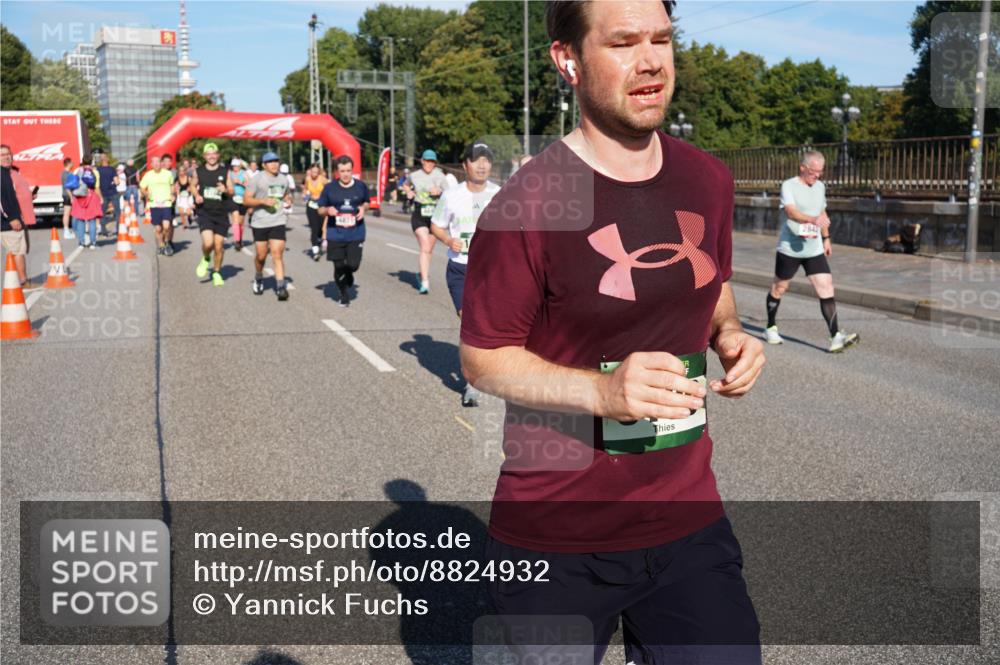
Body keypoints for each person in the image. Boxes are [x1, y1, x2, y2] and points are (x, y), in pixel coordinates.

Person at [459, 2, 766, 663]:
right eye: (624, 42)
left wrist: (731, 333)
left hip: (687, 519)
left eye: (662, 40)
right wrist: (603, 395)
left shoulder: (707, 178)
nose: (652, 60)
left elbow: (708, 281)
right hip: (556, 534)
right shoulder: (527, 206)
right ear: (568, 59)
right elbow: (483, 359)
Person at [764, 151, 859, 353]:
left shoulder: (820, 187)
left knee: (826, 287)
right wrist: (811, 219)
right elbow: (790, 211)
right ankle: (770, 326)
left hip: (813, 247)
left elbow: (822, 213)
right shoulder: (789, 185)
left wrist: (826, 238)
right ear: (803, 168)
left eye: (820, 172)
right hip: (790, 247)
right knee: (779, 288)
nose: (817, 176)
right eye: (813, 171)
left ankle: (835, 337)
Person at [430, 141, 500, 406]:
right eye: (476, 160)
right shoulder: (452, 196)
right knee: (471, 322)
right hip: (461, 268)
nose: (482, 165)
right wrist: (449, 241)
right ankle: (473, 385)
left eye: (486, 160)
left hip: (492, 270)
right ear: (465, 165)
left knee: (490, 325)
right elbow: (436, 226)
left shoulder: (501, 194)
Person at [317, 155, 369, 307]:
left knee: (353, 265)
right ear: (336, 172)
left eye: (348, 170)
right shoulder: (329, 188)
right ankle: (343, 293)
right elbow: (320, 210)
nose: (346, 174)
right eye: (342, 171)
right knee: (338, 265)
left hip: (356, 232)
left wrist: (363, 208)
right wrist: (327, 210)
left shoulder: (360, 186)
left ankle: (349, 274)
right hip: (335, 233)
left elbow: (367, 202)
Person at [243, 152, 291, 300]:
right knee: (261, 256)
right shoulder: (257, 179)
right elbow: (246, 200)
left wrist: (288, 200)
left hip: (278, 220)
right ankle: (258, 276)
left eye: (276, 161)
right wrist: (262, 201)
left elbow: (286, 195)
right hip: (260, 222)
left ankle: (281, 286)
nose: (274, 164)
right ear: (264, 165)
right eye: (270, 162)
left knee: (277, 253)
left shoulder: (283, 179)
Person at [404, 149, 449, 294]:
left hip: (436, 215)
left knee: (429, 249)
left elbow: (450, 194)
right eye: (427, 160)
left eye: (432, 161)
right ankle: (425, 281)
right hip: (419, 213)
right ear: (422, 161)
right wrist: (408, 192)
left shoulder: (440, 176)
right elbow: (405, 184)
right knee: (424, 245)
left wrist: (440, 192)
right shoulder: (414, 175)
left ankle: (421, 274)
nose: (429, 163)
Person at [189, 143, 230, 286]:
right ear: (205, 156)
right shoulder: (198, 171)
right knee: (208, 243)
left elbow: (232, 191)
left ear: (218, 155)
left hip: (221, 213)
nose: (212, 156)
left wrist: (225, 190)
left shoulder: (225, 171)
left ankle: (217, 272)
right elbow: (192, 186)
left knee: (219, 246)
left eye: (214, 153)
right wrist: (196, 195)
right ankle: (206, 258)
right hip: (205, 211)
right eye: (209, 154)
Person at [1, 145, 35, 286]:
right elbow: (2, 200)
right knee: (17, 252)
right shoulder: (1, 174)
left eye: (8, 154)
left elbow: (12, 196)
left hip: (15, 219)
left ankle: (20, 281)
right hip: (8, 222)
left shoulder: (7, 173)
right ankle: (22, 282)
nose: (7, 157)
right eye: (2, 155)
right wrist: (11, 218)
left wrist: (28, 197)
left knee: (19, 251)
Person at [140, 155, 177, 256]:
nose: (156, 164)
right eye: (154, 162)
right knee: (158, 229)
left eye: (158, 162)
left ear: (161, 163)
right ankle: (161, 245)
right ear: (151, 164)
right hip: (154, 204)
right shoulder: (148, 175)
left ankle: (166, 242)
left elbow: (172, 185)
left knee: (166, 226)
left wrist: (173, 194)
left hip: (166, 203)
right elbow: (142, 187)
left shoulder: (168, 174)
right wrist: (146, 193)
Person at [69, 154, 103, 250]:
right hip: (91, 196)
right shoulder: (95, 172)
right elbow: (96, 187)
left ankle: (81, 242)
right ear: (91, 161)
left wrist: (72, 196)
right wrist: (101, 198)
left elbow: (72, 184)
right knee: (92, 220)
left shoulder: (77, 171)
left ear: (82, 161)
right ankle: (92, 243)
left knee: (80, 220)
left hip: (79, 197)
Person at [302, 163, 329, 261]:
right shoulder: (308, 179)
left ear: (319, 172)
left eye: (316, 172)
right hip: (311, 205)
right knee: (314, 228)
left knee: (320, 229)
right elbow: (305, 189)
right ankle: (315, 251)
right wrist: (304, 194)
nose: (314, 174)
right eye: (313, 172)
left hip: (321, 206)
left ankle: (319, 240)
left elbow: (330, 188)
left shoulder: (322, 179)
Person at [227, 157, 250, 250]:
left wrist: (240, 183)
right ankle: (237, 241)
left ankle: (240, 239)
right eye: (233, 166)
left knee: (241, 221)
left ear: (240, 166)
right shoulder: (230, 173)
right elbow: (226, 183)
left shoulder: (244, 174)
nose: (235, 167)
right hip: (233, 198)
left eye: (236, 166)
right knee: (235, 219)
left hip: (243, 198)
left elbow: (250, 186)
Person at [96, 152, 118, 237]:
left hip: (102, 193)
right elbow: (117, 182)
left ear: (101, 160)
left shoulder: (98, 170)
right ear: (107, 159)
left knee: (102, 212)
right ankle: (118, 229)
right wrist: (116, 182)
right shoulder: (112, 169)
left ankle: (104, 230)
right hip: (113, 193)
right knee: (117, 211)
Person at [60, 158, 76, 240]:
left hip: (67, 195)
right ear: (68, 164)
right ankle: (66, 231)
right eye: (72, 163)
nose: (73, 164)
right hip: (67, 195)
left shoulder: (66, 173)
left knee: (69, 213)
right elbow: (67, 187)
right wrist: (71, 197)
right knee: (67, 213)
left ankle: (68, 230)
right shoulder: (66, 174)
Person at [279, 163, 295, 229]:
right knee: (279, 212)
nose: (284, 174)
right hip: (279, 197)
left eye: (285, 173)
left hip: (287, 197)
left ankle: (283, 224)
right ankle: (279, 225)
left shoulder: (289, 177)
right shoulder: (277, 176)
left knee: (286, 212)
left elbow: (293, 187)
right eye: (282, 173)